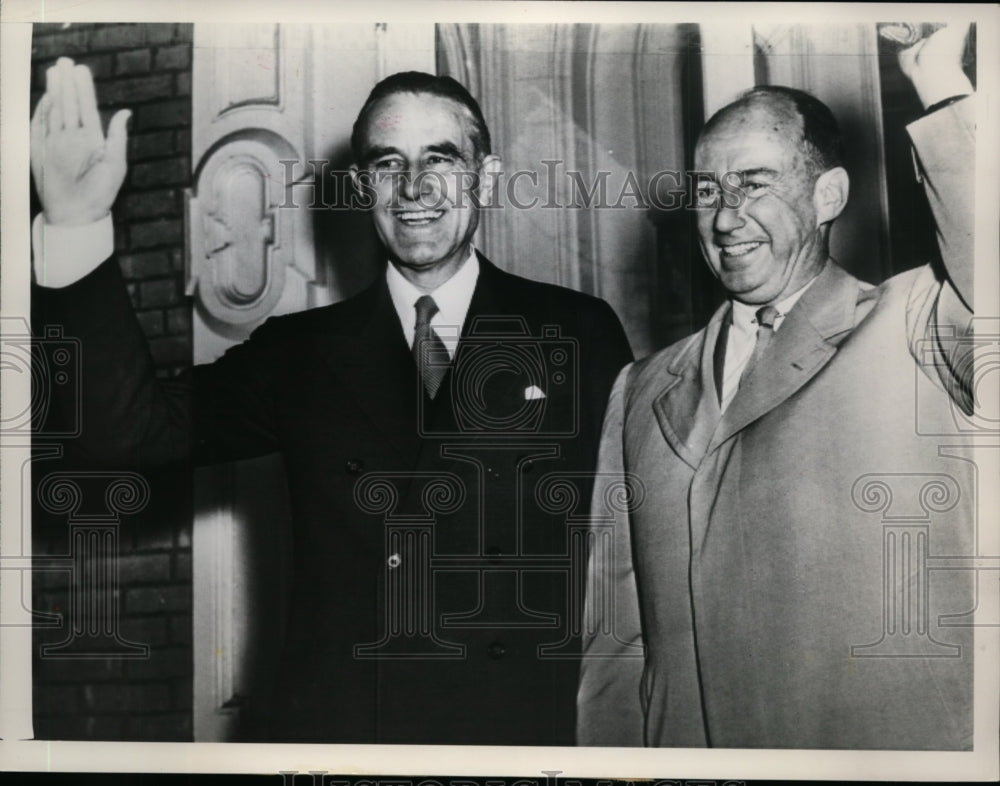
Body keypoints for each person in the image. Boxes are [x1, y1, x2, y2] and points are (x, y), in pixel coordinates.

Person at [30, 64, 633, 744]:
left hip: (520, 731)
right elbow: (123, 436)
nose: (414, 189)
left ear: (485, 178)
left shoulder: (575, 331)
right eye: (387, 165)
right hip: (347, 731)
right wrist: (75, 228)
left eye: (441, 160)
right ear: (360, 188)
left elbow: (632, 549)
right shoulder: (300, 353)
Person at [577, 23, 977, 749]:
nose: (726, 218)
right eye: (707, 191)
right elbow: (617, 639)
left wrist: (940, 79)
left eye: (754, 184)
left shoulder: (916, 323)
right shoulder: (639, 389)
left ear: (828, 195)